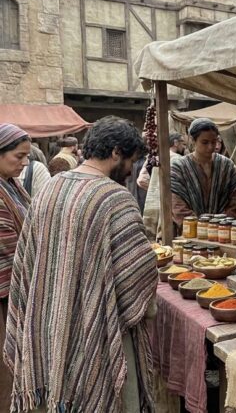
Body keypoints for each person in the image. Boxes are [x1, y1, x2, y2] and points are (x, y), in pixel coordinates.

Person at [3, 116, 157, 412]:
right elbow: (139, 273)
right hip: (97, 332)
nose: (130, 170)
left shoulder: (49, 188)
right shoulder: (115, 198)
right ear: (116, 152)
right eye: (131, 161)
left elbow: (27, 261)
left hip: (48, 326)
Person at [0, 124, 32, 412]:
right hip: (5, 294)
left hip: (16, 289)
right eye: (19, 156)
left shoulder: (11, 185)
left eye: (27, 156)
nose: (25, 163)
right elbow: (8, 247)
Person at [170, 118, 236, 227]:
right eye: (205, 142)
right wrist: (202, 227)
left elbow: (233, 204)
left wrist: (220, 225)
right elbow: (178, 206)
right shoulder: (179, 167)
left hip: (223, 230)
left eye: (214, 141)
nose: (211, 147)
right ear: (193, 140)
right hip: (190, 231)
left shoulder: (226, 166)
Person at [140, 132, 187, 239]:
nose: (184, 147)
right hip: (170, 205)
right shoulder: (178, 160)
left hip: (153, 205)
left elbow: (141, 180)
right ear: (176, 143)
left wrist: (155, 190)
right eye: (183, 144)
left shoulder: (155, 157)